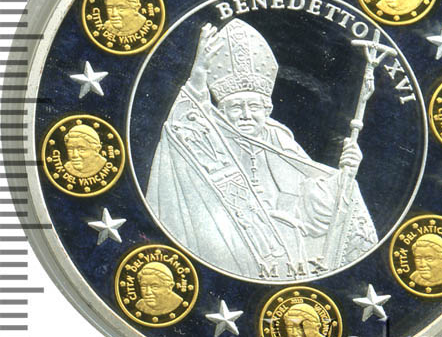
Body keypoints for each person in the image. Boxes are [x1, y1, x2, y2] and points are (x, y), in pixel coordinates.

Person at [146, 18, 377, 280]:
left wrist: (344, 176)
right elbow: (182, 129)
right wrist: (198, 76)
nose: (246, 114)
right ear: (221, 111)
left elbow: (312, 201)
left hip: (282, 252)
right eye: (236, 107)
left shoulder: (276, 138)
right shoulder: (209, 135)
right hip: (223, 249)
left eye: (254, 106)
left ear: (267, 110)